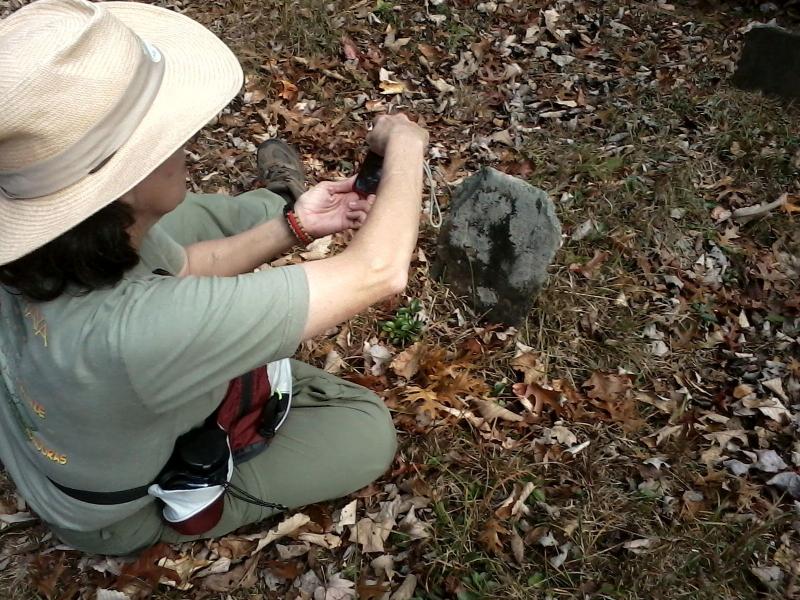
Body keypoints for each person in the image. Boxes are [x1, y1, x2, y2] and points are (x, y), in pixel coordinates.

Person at [0, 0, 428, 555]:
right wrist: (408, 143)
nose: (186, 146)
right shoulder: (135, 330)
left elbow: (191, 265)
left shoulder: (70, 235)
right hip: (104, 511)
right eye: (167, 137)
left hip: (55, 427)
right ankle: (195, 506)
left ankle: (280, 201)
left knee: (189, 217)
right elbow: (376, 271)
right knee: (365, 431)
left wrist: (296, 225)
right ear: (123, 184)